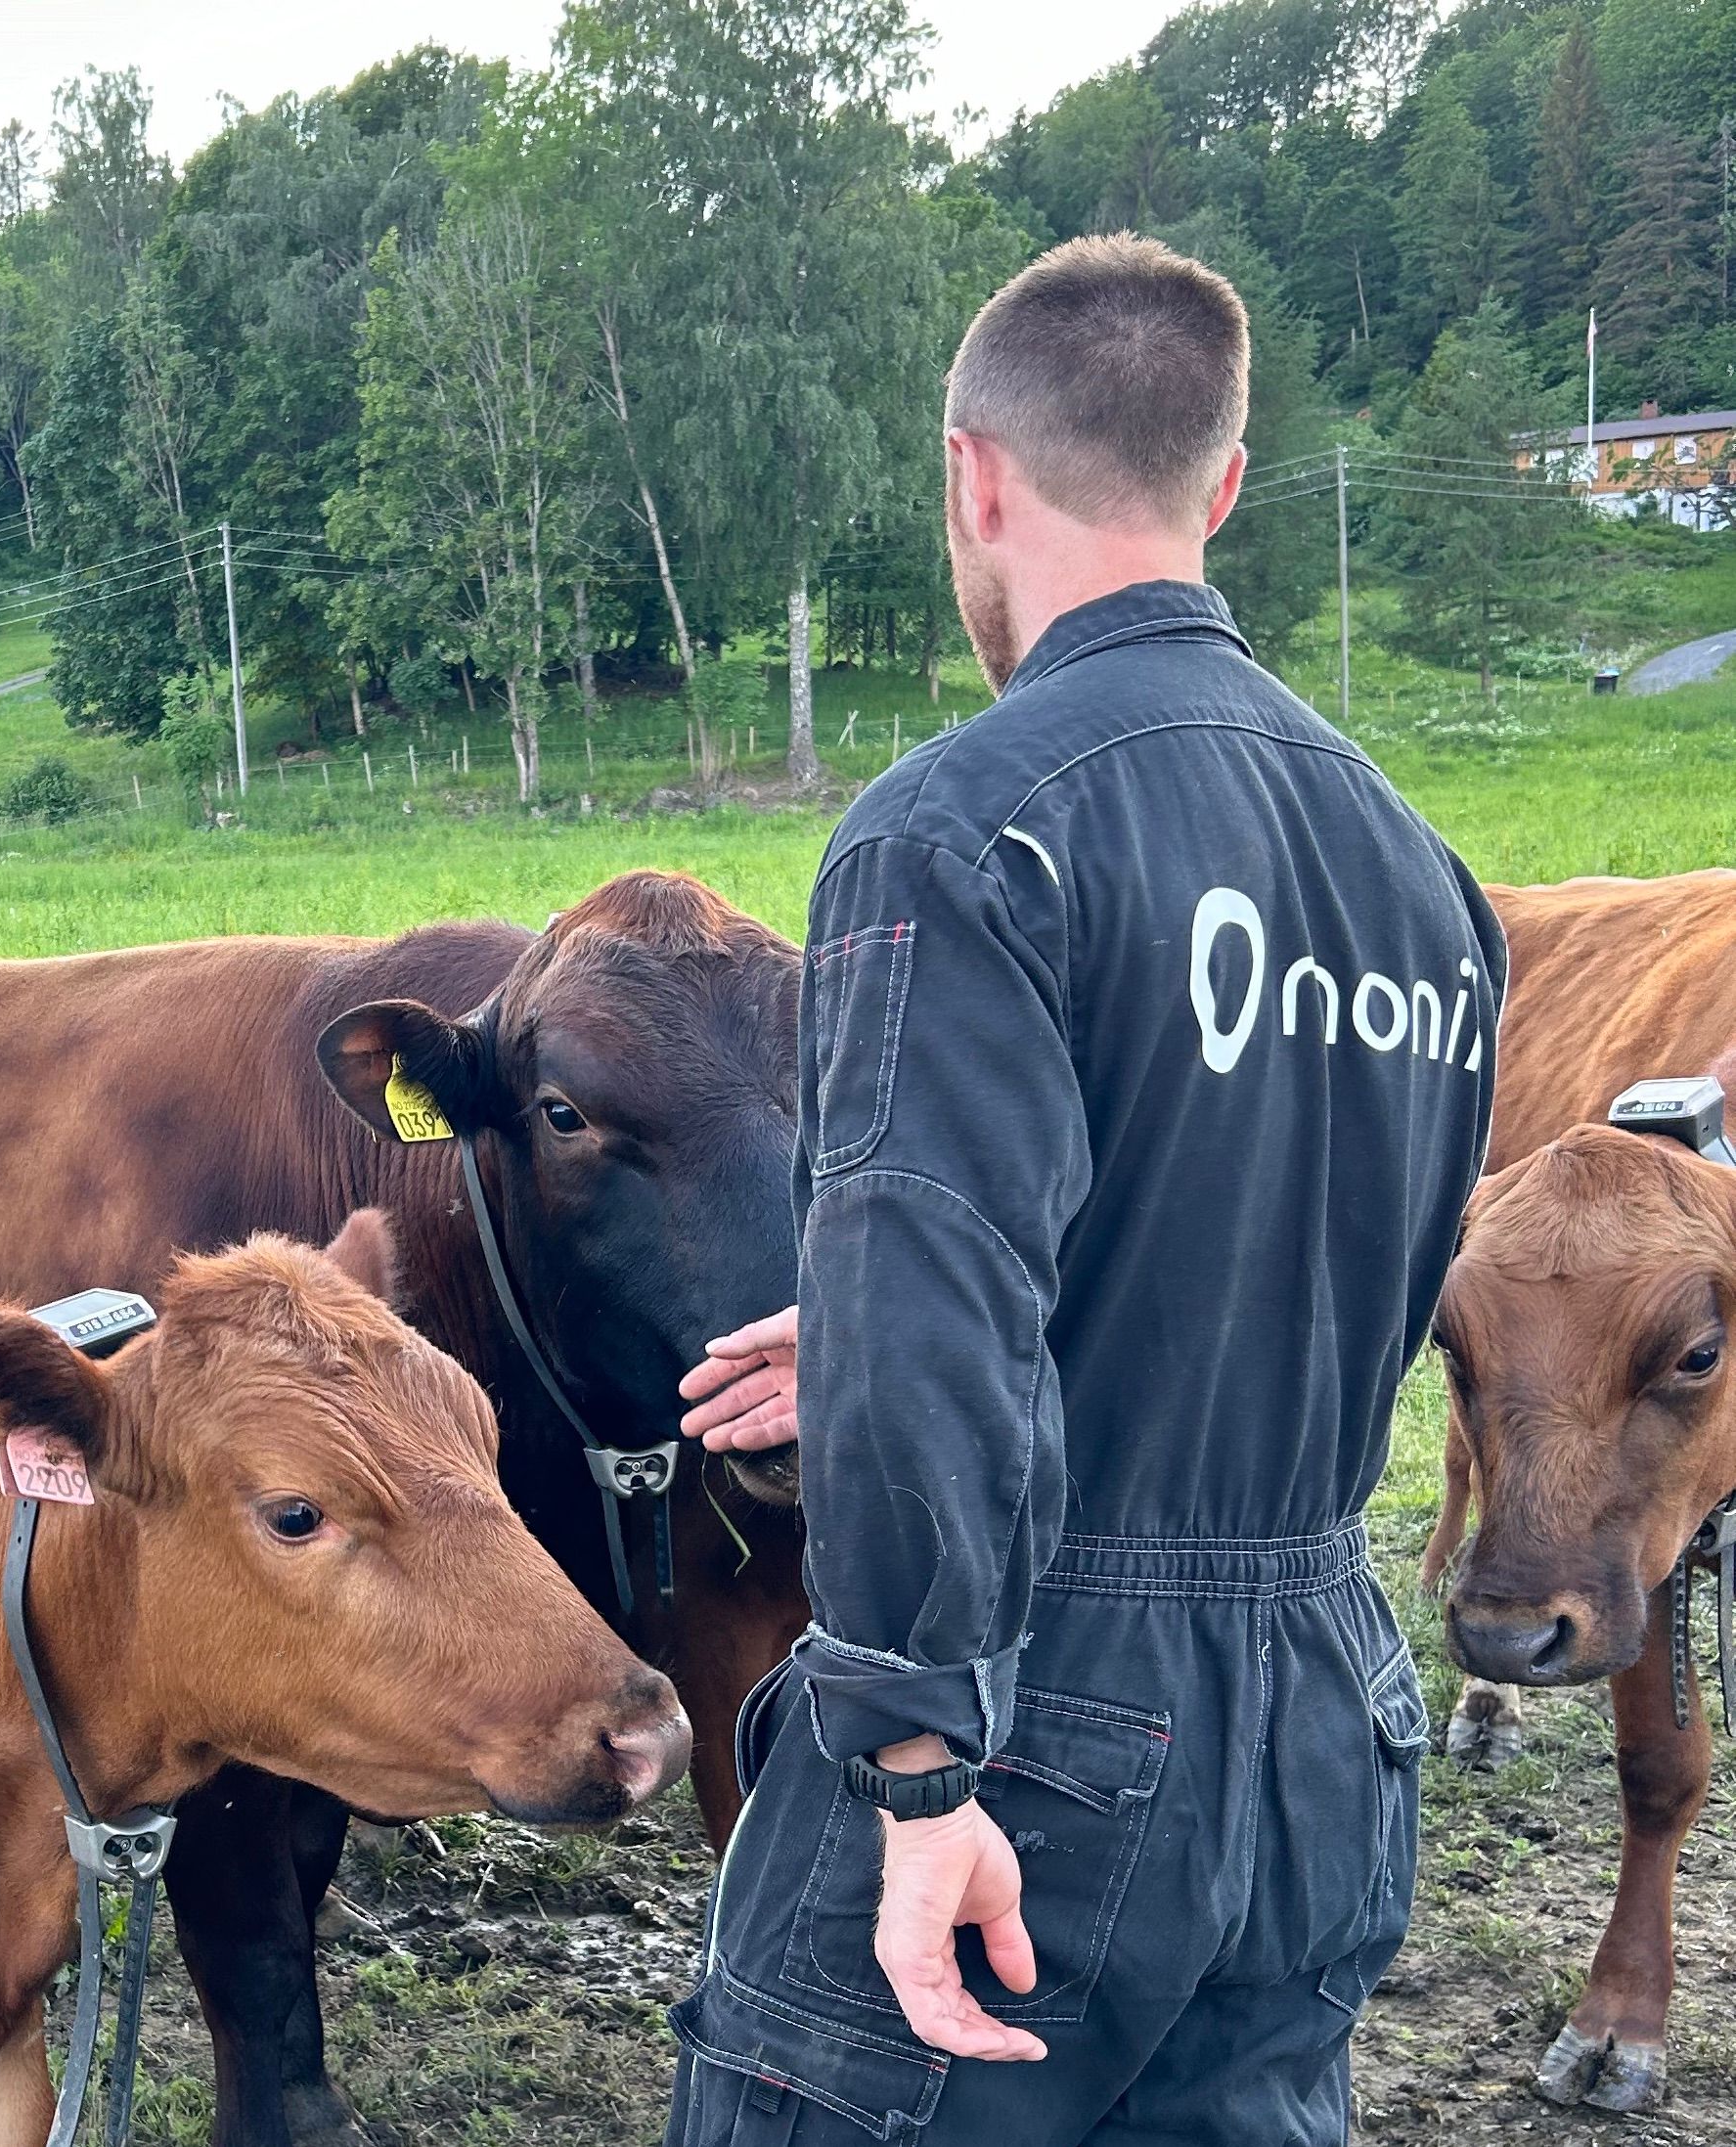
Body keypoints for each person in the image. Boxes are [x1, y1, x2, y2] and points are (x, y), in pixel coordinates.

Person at [663, 235, 1504, 2146]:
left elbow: (939, 1270)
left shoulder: (959, 831)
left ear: (969, 475)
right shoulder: (1424, 888)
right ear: (1220, 486)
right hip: (1322, 1715)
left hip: (1042, 1714)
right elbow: (1318, 1273)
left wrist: (907, 1757)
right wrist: (886, 1348)